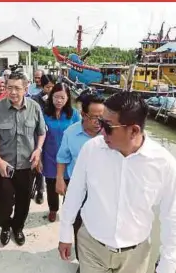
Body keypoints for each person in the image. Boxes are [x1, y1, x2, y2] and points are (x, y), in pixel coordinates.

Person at [58, 92, 176, 273]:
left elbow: (172, 216)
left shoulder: (164, 164)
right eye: (101, 123)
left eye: (108, 127)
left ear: (133, 131)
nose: (101, 131)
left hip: (135, 254)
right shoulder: (92, 150)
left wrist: (167, 265)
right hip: (91, 245)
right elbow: (75, 192)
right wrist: (65, 233)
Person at [0, 72, 46, 247]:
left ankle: (18, 227)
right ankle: (5, 227)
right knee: (4, 202)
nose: (12, 92)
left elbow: (42, 132)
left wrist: (38, 149)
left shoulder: (34, 108)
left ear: (26, 89)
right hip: (4, 166)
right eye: (9, 87)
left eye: (17, 88)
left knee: (24, 201)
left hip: (27, 166)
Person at [55, 90, 105, 266]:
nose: (99, 122)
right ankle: (83, 261)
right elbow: (63, 157)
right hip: (77, 187)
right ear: (83, 114)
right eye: (94, 117)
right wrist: (60, 179)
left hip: (103, 190)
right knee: (76, 224)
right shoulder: (71, 133)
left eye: (103, 117)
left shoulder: (110, 134)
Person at [41, 83, 80, 222]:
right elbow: (39, 135)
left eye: (62, 98)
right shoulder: (44, 113)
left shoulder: (74, 114)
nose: (59, 101)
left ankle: (67, 210)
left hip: (69, 159)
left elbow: (80, 134)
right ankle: (53, 209)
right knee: (51, 185)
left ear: (68, 98)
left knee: (69, 186)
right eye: (56, 97)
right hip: (49, 155)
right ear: (51, 97)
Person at [30, 73, 56, 204]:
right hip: (38, 134)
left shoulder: (57, 99)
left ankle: (50, 188)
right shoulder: (35, 99)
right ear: (42, 86)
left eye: (52, 87)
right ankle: (39, 190)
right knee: (38, 162)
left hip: (52, 136)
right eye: (47, 87)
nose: (50, 90)